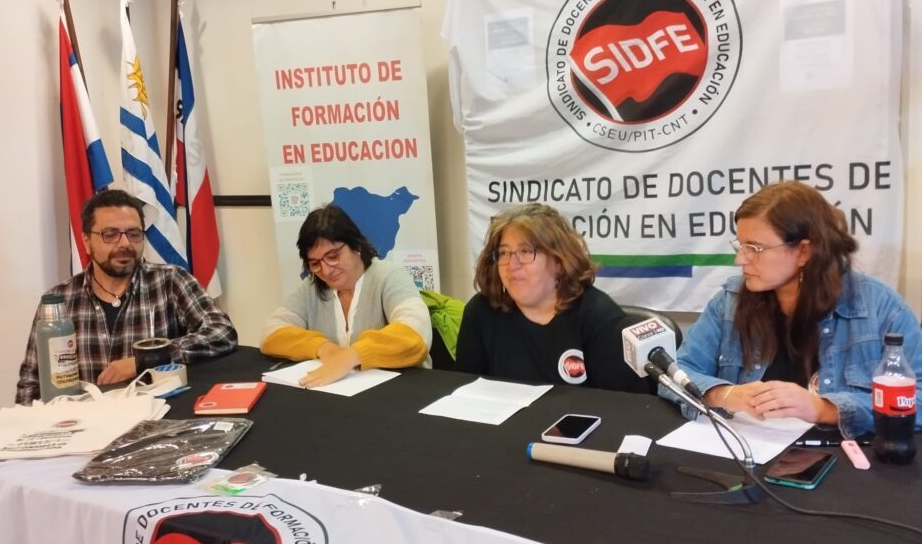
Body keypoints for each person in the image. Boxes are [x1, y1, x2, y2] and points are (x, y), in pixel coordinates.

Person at [666, 181, 922, 438]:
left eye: (755, 249)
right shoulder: (730, 301)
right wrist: (725, 394)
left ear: (803, 252)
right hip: (748, 454)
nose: (740, 259)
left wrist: (824, 409)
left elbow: (918, 400)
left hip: (846, 464)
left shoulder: (882, 309)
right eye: (740, 245)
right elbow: (675, 373)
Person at [15, 189, 238, 404]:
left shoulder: (170, 281)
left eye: (134, 234)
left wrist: (146, 361)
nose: (125, 244)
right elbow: (31, 384)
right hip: (84, 427)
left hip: (157, 422)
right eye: (110, 234)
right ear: (86, 242)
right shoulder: (58, 301)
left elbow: (222, 332)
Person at [456, 203, 648, 391]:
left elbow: (621, 411)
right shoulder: (481, 312)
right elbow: (466, 396)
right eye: (504, 253)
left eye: (526, 251)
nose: (511, 264)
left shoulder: (599, 318)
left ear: (559, 261)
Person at [261, 204, 431, 387]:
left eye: (333, 256)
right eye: (315, 263)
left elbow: (416, 334)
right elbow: (271, 332)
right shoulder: (312, 288)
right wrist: (324, 349)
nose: (325, 270)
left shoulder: (389, 276)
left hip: (401, 391)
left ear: (355, 245)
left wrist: (352, 356)